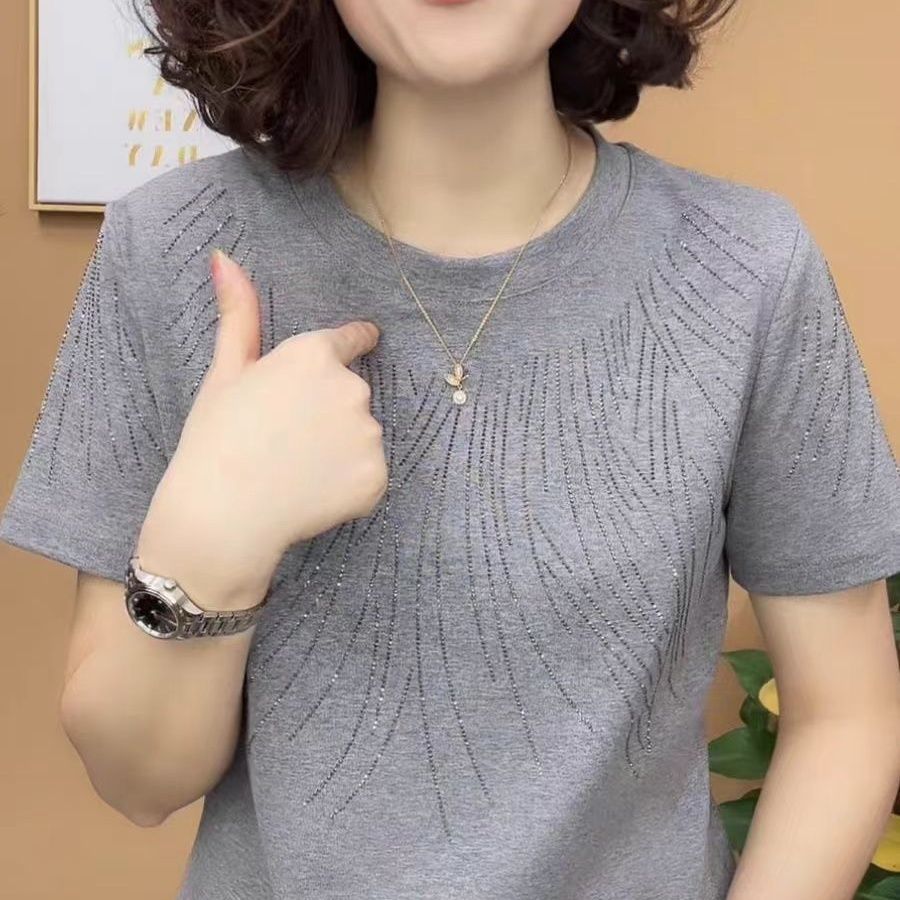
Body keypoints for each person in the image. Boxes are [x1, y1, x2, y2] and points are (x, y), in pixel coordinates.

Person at [1, 1, 899, 898]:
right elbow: (138, 783)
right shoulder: (171, 248)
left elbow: (846, 717)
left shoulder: (747, 269)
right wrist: (213, 533)